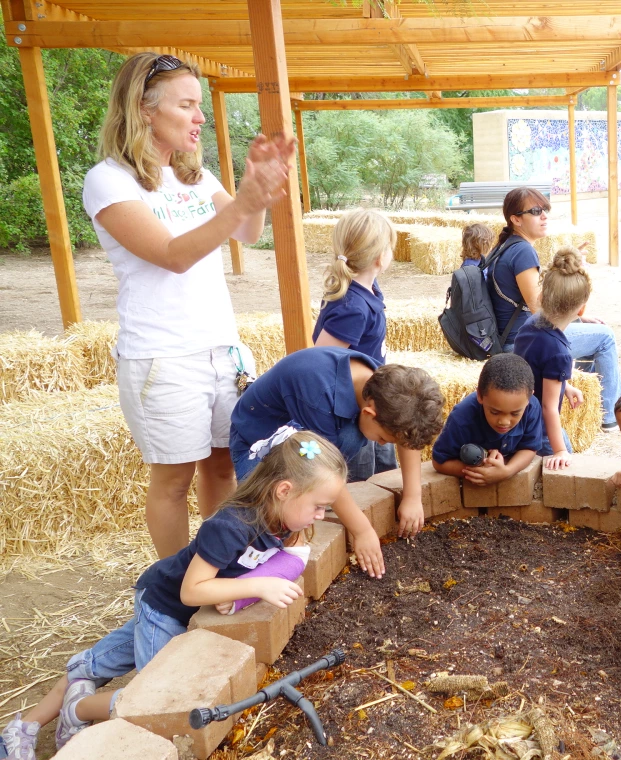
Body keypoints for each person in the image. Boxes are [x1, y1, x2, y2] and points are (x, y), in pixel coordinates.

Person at [0, 431, 343, 758]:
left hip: (174, 608)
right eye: (318, 506)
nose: (321, 515)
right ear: (284, 489)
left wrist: (241, 596)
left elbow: (294, 557)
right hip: (164, 607)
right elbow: (192, 590)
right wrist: (254, 587)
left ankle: (24, 726)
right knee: (157, 702)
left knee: (95, 665)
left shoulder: (284, 521)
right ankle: (78, 708)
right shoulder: (231, 526)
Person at [82, 52, 294, 558]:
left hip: (220, 349)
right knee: (173, 479)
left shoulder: (194, 177)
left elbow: (247, 231)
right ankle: (176, 585)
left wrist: (256, 192)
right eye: (187, 105)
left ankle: (215, 565)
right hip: (162, 356)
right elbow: (173, 256)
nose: (200, 116)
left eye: (200, 105)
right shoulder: (109, 180)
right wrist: (244, 200)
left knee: (223, 465)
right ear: (144, 108)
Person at [230, 347, 444, 578]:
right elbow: (323, 468)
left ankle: (318, 496)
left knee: (348, 437)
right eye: (383, 438)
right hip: (258, 447)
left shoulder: (387, 386)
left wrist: (413, 497)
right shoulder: (319, 396)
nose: (382, 445)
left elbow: (405, 434)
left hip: (305, 438)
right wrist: (362, 531)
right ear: (370, 413)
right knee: (278, 515)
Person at [487, 187, 621, 430]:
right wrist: (573, 287)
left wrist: (578, 316)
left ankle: (585, 406)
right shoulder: (523, 251)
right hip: (523, 340)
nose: (544, 216)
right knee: (605, 338)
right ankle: (609, 416)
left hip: (516, 336)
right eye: (536, 211)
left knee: (590, 332)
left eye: (545, 210)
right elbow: (538, 306)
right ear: (515, 219)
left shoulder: (505, 245)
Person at [311, 208, 399, 481]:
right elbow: (320, 362)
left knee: (384, 469)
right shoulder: (353, 308)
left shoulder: (367, 290)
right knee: (358, 478)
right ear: (380, 257)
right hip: (352, 412)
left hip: (373, 399)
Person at [512, 248, 589, 468]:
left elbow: (533, 368)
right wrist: (560, 450)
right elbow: (549, 407)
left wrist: (565, 386)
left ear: (541, 296)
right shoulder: (559, 352)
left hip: (522, 419)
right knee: (570, 471)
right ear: (581, 310)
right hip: (543, 431)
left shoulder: (531, 324)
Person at [432, 353, 543, 486]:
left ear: (529, 398)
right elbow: (439, 462)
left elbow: (530, 448)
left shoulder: (532, 406)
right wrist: (479, 471)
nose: (504, 422)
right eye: (495, 412)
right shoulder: (462, 417)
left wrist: (507, 471)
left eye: (515, 414)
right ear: (480, 396)